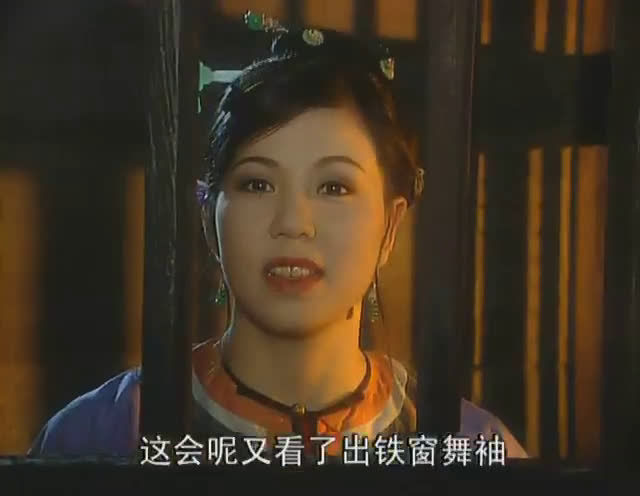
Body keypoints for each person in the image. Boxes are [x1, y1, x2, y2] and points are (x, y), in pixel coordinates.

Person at [28, 15, 527, 463]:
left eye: (334, 187)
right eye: (257, 184)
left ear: (390, 227)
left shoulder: (470, 444)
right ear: (208, 221)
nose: (293, 223)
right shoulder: (104, 434)